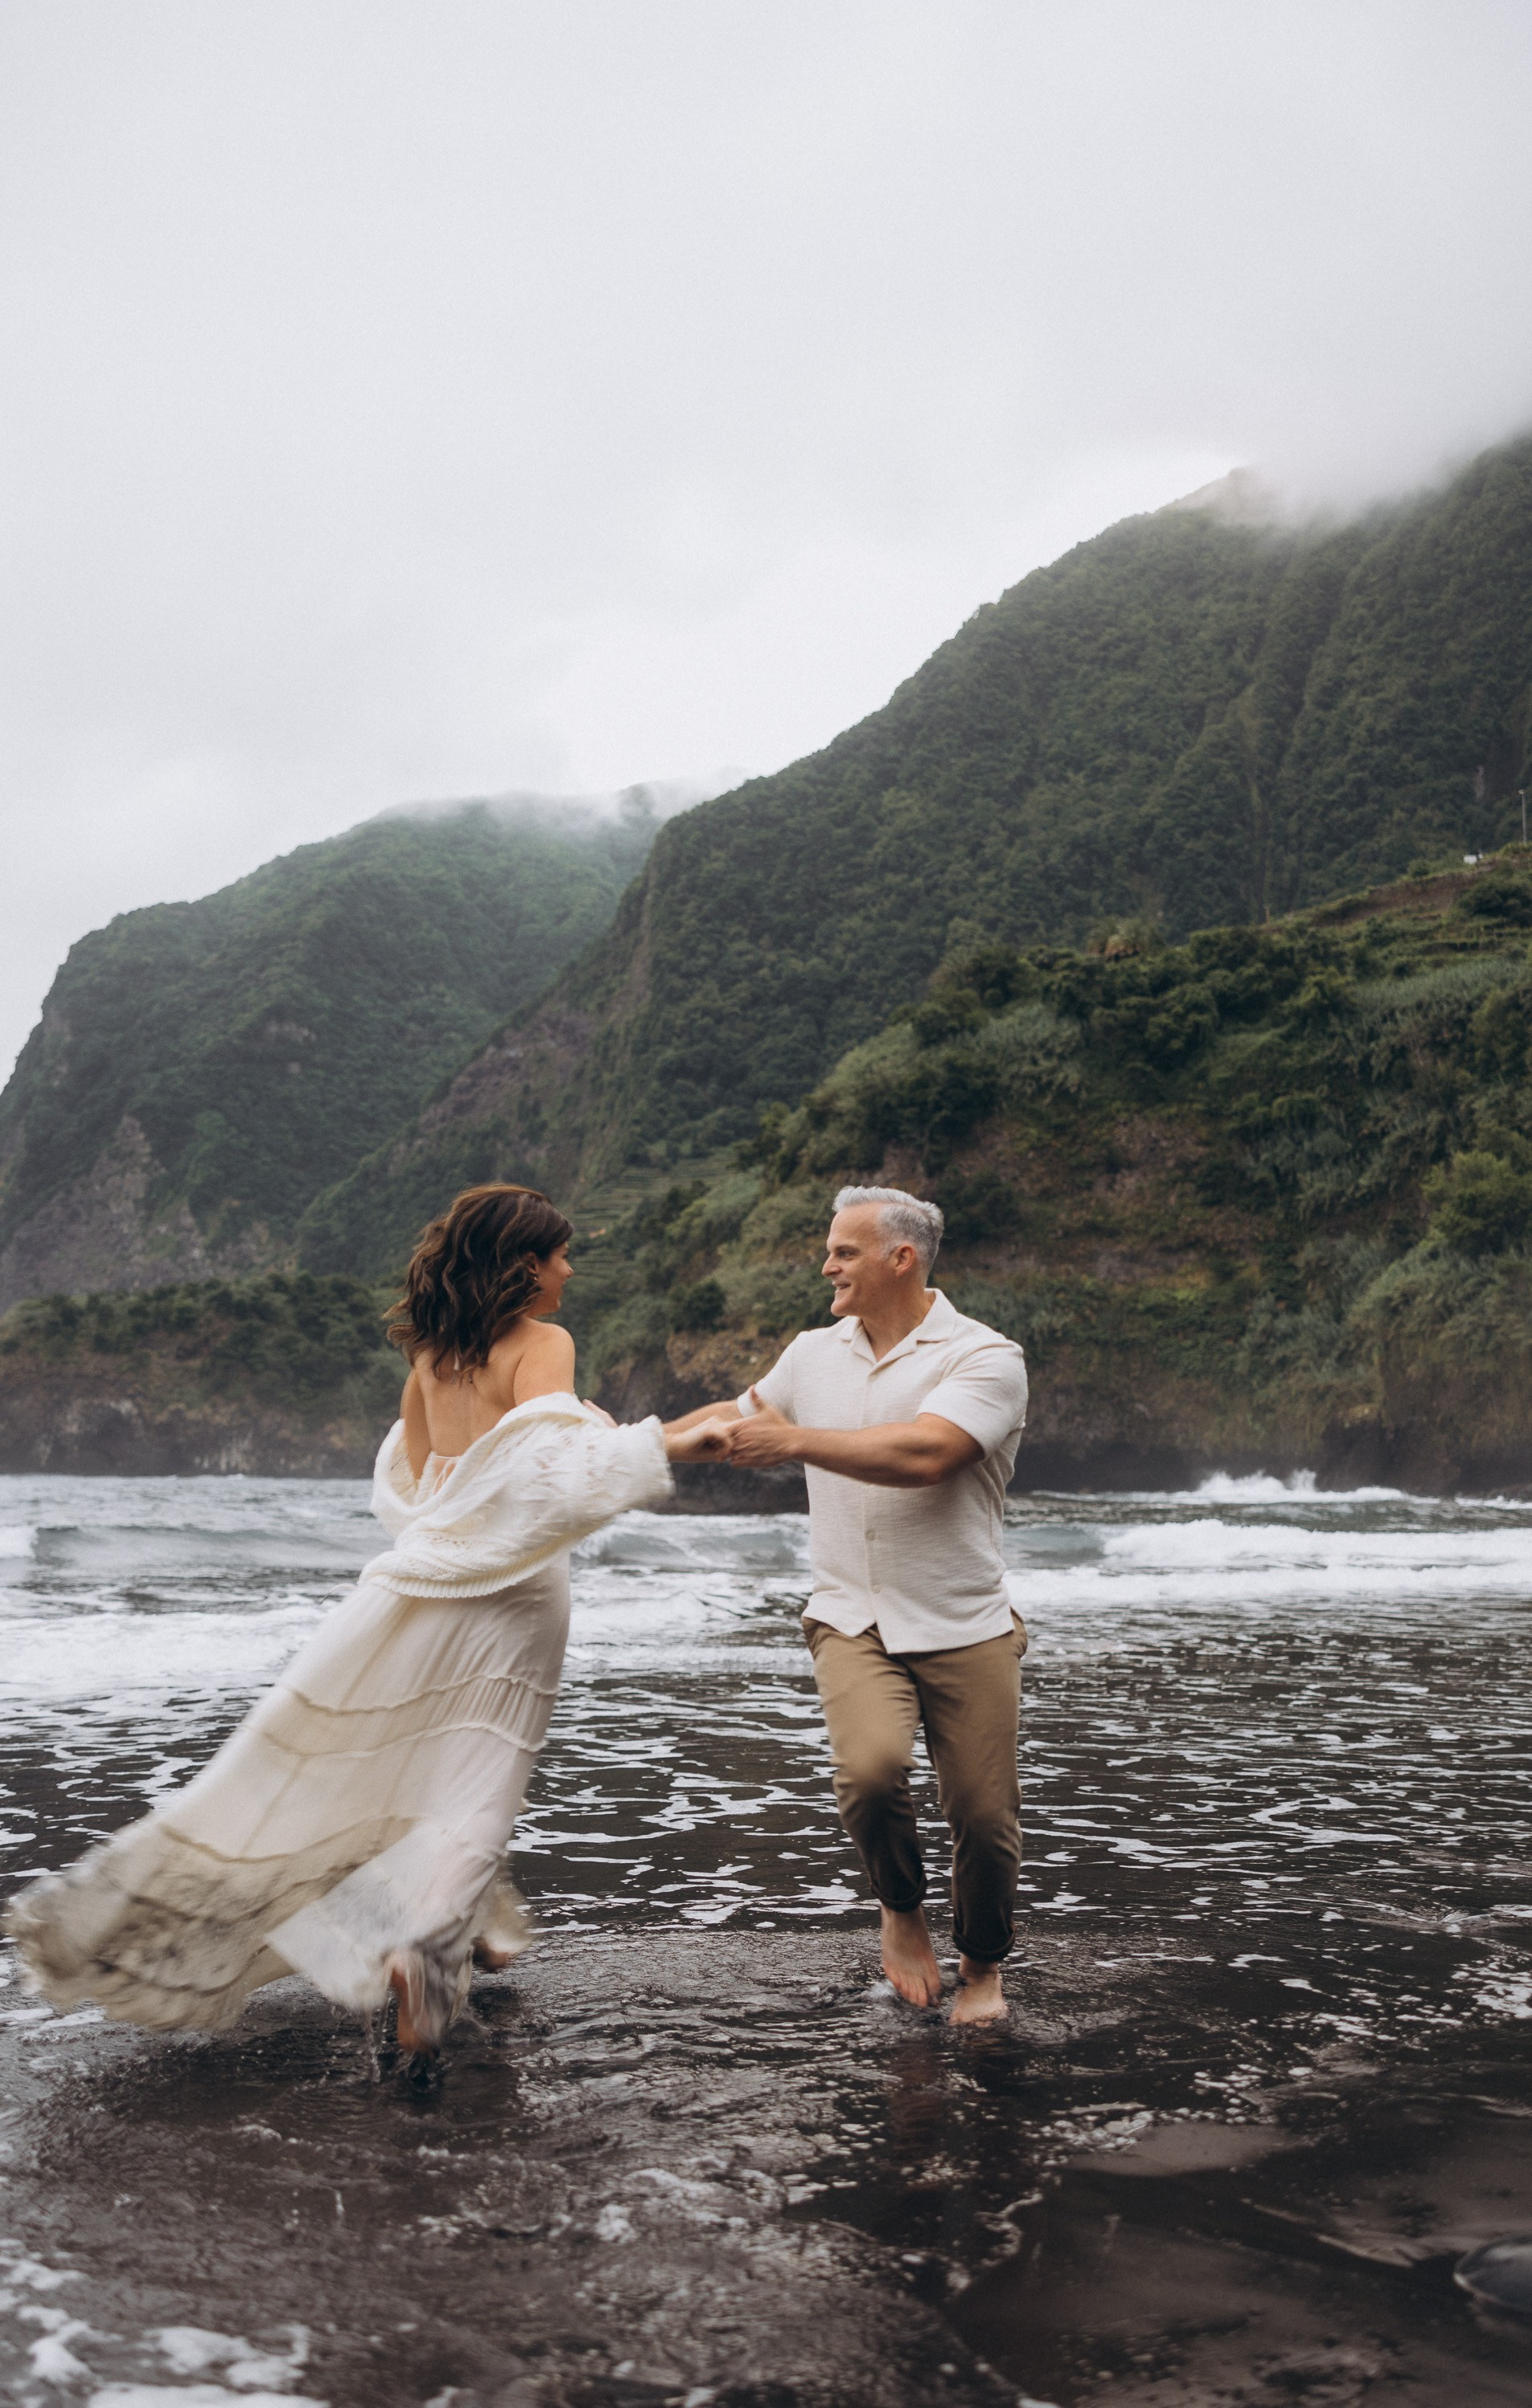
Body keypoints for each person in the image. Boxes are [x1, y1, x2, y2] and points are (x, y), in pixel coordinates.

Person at [7, 1184, 729, 2055]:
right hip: (517, 1597)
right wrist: (664, 1443)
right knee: (481, 1781)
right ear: (523, 1266)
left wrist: (573, 1432)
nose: (570, 1270)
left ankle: (478, 1933)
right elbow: (545, 1477)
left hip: (434, 1585)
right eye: (560, 1255)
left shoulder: (430, 1359)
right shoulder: (544, 1343)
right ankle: (423, 1958)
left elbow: (425, 1489)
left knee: (426, 1764)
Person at [671, 1185, 1028, 2024]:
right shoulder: (811, 1353)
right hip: (849, 1615)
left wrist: (793, 1442)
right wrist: (631, 1444)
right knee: (870, 1777)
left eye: (842, 1251)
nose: (825, 1264)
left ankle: (982, 1968)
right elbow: (738, 1417)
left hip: (963, 1619)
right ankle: (900, 1908)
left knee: (982, 1818)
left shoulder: (984, 1356)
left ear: (898, 1258)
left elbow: (930, 1452)